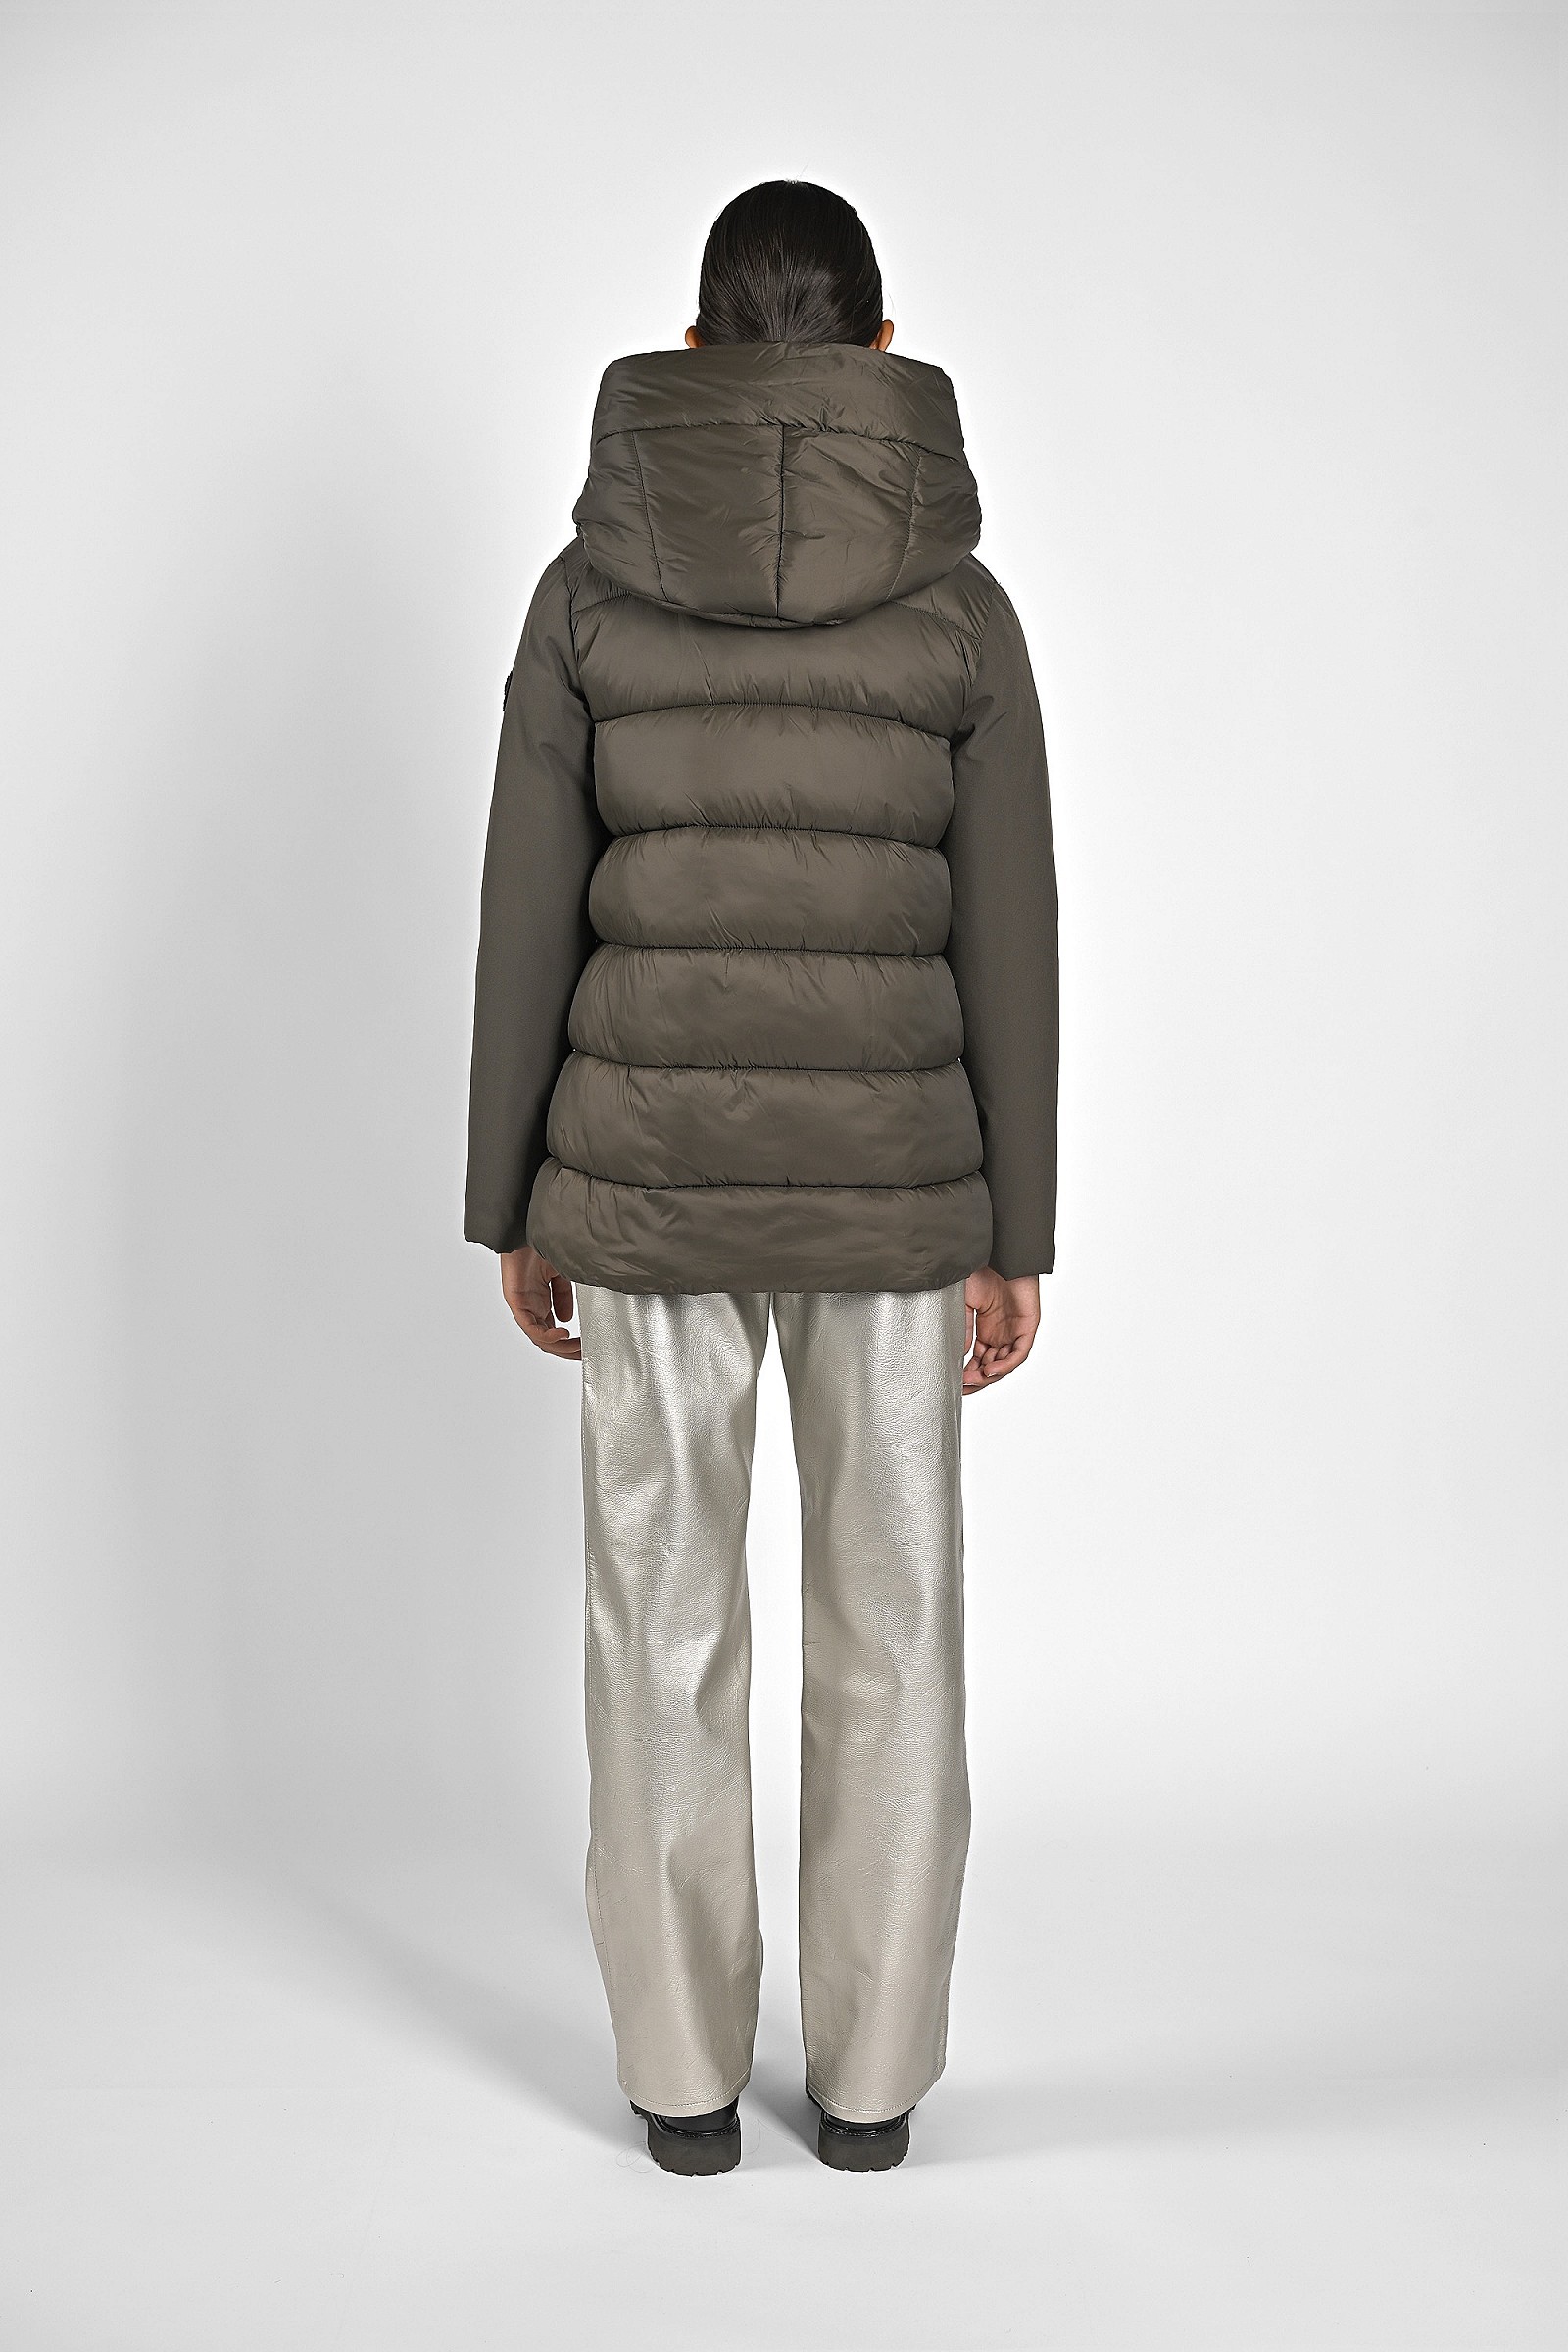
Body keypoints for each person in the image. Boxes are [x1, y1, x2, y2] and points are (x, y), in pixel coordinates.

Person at [465, 181, 1058, 2176]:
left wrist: (515, 1196)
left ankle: (679, 2084)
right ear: (878, 348)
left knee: (658, 1628)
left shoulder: (587, 588)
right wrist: (1017, 1231)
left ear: (697, 340)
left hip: (644, 1181)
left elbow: (528, 904)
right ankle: (871, 2091)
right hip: (896, 1188)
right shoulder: (959, 601)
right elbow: (1012, 925)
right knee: (893, 1628)